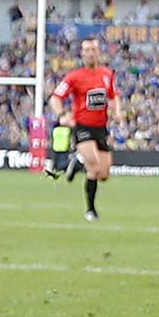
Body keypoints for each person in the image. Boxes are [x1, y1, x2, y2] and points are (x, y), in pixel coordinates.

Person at [49, 38, 122, 221]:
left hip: (101, 128)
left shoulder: (107, 74)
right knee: (94, 165)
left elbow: (113, 96)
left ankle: (78, 161)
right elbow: (55, 97)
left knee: (103, 174)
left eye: (93, 49)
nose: (90, 53)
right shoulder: (74, 77)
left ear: (99, 52)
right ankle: (90, 209)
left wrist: (117, 113)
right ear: (82, 53)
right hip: (83, 127)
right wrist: (61, 115)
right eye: (87, 50)